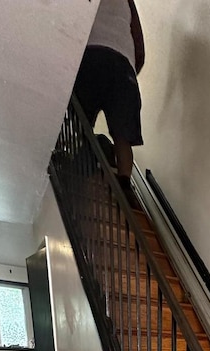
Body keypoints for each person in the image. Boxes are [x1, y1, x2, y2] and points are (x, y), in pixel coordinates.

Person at [74, 0, 145, 208]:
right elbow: (138, 42)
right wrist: (132, 67)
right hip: (122, 65)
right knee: (123, 135)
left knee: (82, 122)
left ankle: (81, 164)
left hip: (91, 54)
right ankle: (124, 184)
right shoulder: (128, 3)